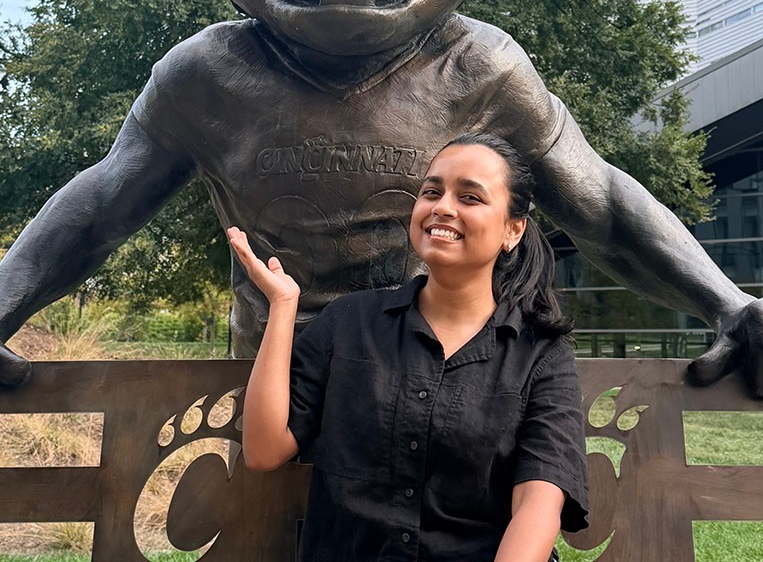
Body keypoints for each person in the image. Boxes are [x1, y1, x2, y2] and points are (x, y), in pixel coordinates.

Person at [228, 132, 589, 562]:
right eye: (432, 191)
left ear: (513, 230)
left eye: (470, 197)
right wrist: (283, 306)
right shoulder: (349, 324)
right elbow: (265, 450)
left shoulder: (539, 354)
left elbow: (537, 501)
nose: (443, 207)